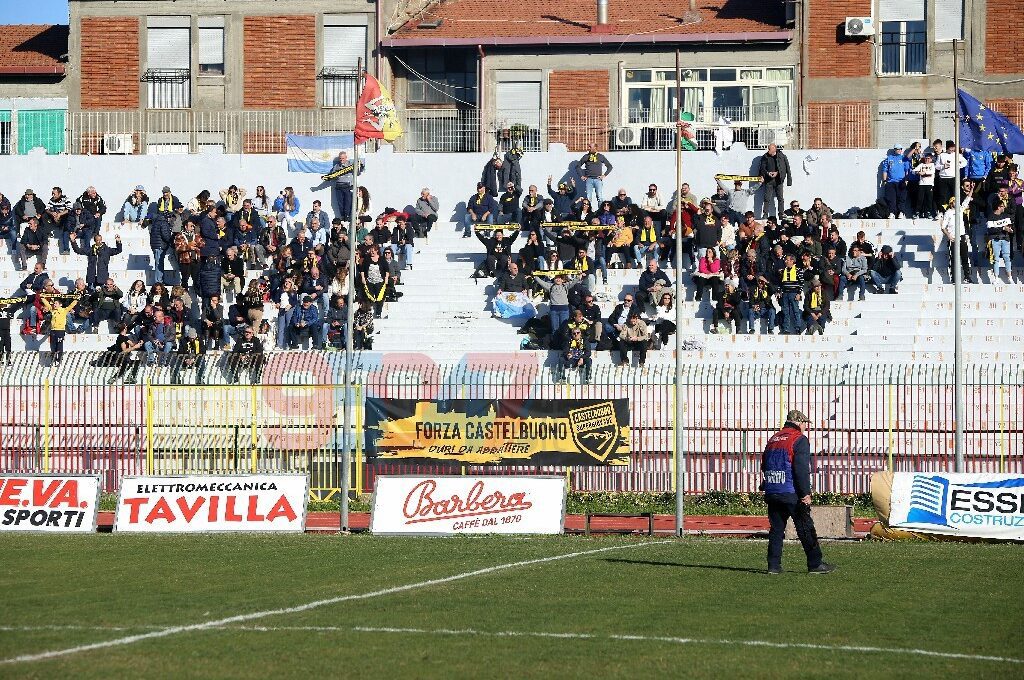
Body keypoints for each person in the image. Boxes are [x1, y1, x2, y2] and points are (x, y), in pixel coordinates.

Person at [761, 409, 835, 575]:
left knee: (776, 530)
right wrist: (805, 493)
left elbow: (765, 464)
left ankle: (773, 566)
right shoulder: (799, 439)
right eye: (804, 424)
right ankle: (815, 563)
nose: (805, 427)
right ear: (799, 422)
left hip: (772, 490)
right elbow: (800, 469)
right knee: (805, 528)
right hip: (791, 492)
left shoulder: (773, 439)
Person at [41, 294, 79, 365]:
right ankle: (54, 359)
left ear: (60, 305)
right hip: (53, 330)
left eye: (56, 303)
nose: (54, 305)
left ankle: (59, 359)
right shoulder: (53, 311)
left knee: (59, 345)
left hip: (60, 331)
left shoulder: (64, 310)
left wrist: (76, 299)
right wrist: (42, 298)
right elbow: (48, 305)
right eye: (54, 303)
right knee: (53, 345)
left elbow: (71, 306)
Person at [324, 150, 362, 221]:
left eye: (343, 158)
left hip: (348, 186)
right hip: (338, 187)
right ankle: (342, 216)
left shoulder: (351, 164)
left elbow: (358, 173)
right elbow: (332, 176)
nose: (341, 160)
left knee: (348, 203)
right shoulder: (336, 166)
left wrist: (359, 167)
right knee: (340, 203)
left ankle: (348, 216)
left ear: (346, 157)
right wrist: (328, 177)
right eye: (340, 158)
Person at [757, 143, 792, 218]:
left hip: (779, 180)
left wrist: (778, 173)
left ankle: (781, 213)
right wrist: (767, 173)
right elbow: (762, 168)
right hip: (769, 181)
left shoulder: (782, 156)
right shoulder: (765, 156)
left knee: (780, 198)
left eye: (770, 149)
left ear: (775, 149)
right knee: (767, 198)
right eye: (768, 149)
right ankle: (765, 214)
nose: (768, 150)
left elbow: (786, 168)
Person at [881, 144, 912, 218]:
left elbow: (907, 170)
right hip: (891, 182)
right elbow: (885, 170)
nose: (899, 150)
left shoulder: (904, 158)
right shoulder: (889, 158)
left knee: (902, 198)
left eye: (900, 149)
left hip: (901, 181)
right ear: (894, 149)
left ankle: (901, 212)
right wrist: (884, 180)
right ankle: (892, 212)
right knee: (891, 198)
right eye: (897, 149)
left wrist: (906, 180)